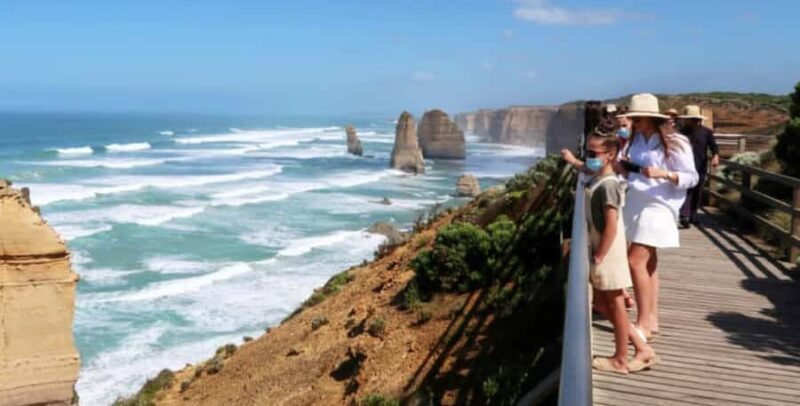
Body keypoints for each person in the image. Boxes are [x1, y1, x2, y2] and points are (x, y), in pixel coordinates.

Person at [619, 94, 698, 341]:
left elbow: (692, 177)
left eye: (637, 117)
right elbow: (629, 172)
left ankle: (641, 323)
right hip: (636, 203)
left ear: (651, 117)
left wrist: (665, 174)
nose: (633, 122)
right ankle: (652, 319)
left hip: (660, 206)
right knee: (649, 263)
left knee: (634, 261)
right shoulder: (634, 140)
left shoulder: (677, 141)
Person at [584, 121, 657, 373]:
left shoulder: (609, 185)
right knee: (606, 305)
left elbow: (612, 226)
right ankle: (642, 349)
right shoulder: (600, 180)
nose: (589, 158)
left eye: (594, 154)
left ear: (611, 154)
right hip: (603, 252)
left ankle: (621, 358)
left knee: (614, 305)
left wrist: (599, 256)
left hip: (607, 254)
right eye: (587, 152)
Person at [678, 105, 719, 227]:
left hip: (700, 165)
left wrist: (716, 156)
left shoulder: (706, 132)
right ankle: (684, 215)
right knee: (686, 190)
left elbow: (714, 146)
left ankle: (693, 215)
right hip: (683, 167)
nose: (685, 121)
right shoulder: (681, 133)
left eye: (688, 119)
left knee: (697, 191)